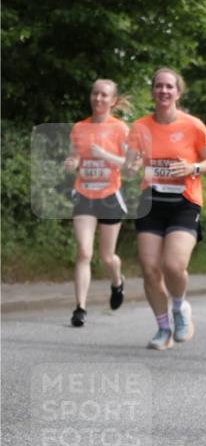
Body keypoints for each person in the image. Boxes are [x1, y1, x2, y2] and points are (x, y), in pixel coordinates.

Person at [126, 68, 206, 350]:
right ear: (153, 91)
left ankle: (179, 307)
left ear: (178, 92)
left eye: (169, 87)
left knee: (173, 265)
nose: (164, 91)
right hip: (151, 202)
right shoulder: (140, 127)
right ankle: (163, 328)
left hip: (184, 203)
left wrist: (192, 167)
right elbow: (131, 165)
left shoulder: (193, 126)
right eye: (159, 86)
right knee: (150, 269)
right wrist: (130, 166)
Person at [64, 79, 129, 327]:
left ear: (112, 101)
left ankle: (117, 281)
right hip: (84, 194)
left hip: (110, 195)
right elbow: (74, 156)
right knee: (83, 252)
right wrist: (71, 163)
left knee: (107, 256)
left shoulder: (121, 129)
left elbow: (131, 164)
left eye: (104, 95)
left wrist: (104, 155)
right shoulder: (80, 128)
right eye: (95, 94)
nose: (99, 99)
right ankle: (80, 307)